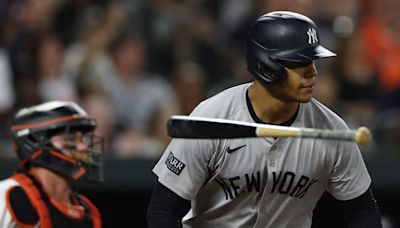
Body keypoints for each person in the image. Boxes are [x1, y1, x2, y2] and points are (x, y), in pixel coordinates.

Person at [147, 11, 382, 228]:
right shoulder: (212, 119)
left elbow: (362, 211)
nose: (313, 72)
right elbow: (163, 211)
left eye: (313, 61)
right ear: (267, 66)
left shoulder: (330, 129)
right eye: (299, 62)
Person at [0, 101, 103, 227]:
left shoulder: (88, 213)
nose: (82, 147)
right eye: (70, 139)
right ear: (35, 143)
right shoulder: (7, 195)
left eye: (82, 139)